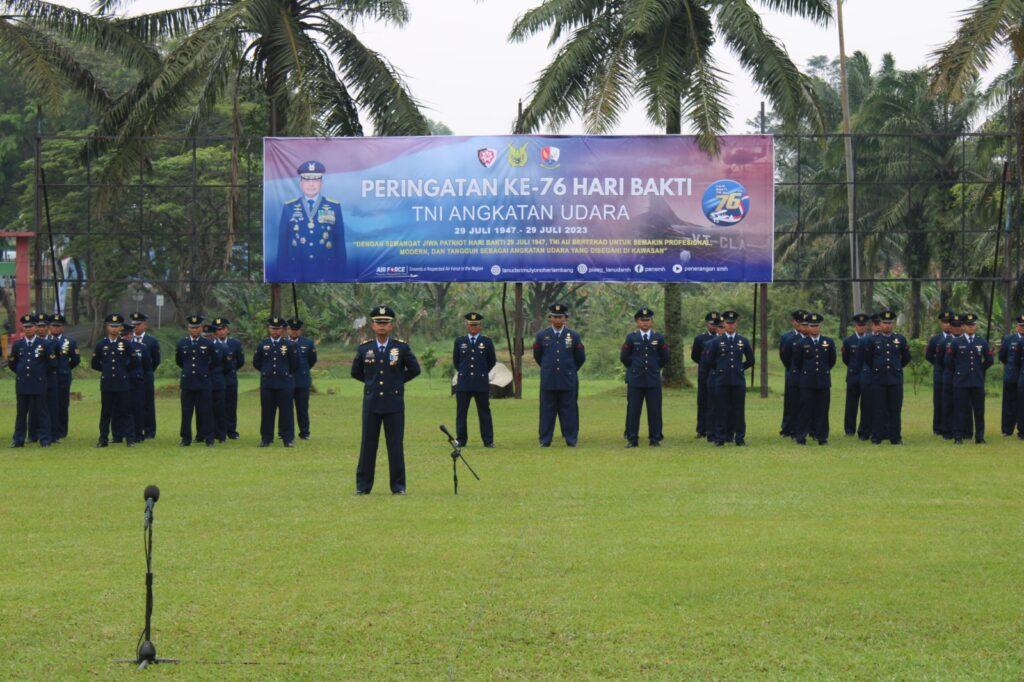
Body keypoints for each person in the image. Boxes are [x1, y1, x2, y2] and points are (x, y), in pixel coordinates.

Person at [352, 306, 420, 495]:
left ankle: (398, 487)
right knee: (367, 445)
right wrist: (371, 383)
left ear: (391, 326)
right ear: (372, 325)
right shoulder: (365, 348)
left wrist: (397, 382)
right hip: (372, 403)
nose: (381, 326)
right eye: (378, 322)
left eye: (385, 322)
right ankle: (363, 486)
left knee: (395, 446)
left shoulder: (401, 347)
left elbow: (415, 369)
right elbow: (356, 372)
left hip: (393, 404)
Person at [274, 160, 346, 280]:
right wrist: (281, 274)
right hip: (296, 270)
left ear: (321, 183)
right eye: (307, 180)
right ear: (301, 183)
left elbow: (340, 243)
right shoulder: (289, 207)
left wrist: (341, 274)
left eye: (315, 180)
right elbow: (283, 243)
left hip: (326, 271)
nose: (311, 184)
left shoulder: (334, 206)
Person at [533, 303, 586, 447]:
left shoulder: (574, 336)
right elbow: (538, 356)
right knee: (547, 411)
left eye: (560, 317)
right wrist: (548, 368)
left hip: (567, 379)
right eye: (554, 317)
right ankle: (545, 440)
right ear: (550, 318)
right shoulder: (542, 335)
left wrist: (569, 370)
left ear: (565, 318)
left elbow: (580, 358)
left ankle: (571, 439)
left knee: (569, 411)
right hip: (549, 380)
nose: (557, 320)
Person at [620, 307, 669, 448]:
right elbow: (624, 357)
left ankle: (655, 439)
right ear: (637, 322)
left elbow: (665, 357)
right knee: (633, 411)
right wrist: (634, 367)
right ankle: (632, 439)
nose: (645, 322)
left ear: (652, 321)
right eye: (642, 320)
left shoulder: (658, 337)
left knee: (655, 411)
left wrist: (655, 367)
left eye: (647, 320)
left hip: (653, 379)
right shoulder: (631, 337)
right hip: (636, 379)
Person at [705, 310, 755, 446]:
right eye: (728, 323)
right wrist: (721, 369)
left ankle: (739, 438)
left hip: (738, 381)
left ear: (737, 324)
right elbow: (710, 361)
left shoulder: (743, 341)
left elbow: (751, 360)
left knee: (739, 410)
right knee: (721, 409)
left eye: (733, 323)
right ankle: (720, 438)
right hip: (721, 380)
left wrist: (739, 368)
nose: (730, 325)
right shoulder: (716, 341)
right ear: (724, 324)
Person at [863, 309, 912, 445]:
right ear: (880, 324)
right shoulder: (873, 340)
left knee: (895, 410)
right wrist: (877, 368)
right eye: (885, 323)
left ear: (893, 324)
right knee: (878, 409)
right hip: (878, 380)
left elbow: (906, 358)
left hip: (895, 380)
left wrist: (897, 367)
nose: (887, 325)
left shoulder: (900, 339)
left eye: (890, 323)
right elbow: (868, 358)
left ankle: (895, 438)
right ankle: (876, 437)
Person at [7, 314, 54, 448]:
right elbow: (12, 363)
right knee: (21, 413)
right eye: (25, 327)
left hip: (38, 383)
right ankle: (18, 440)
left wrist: (39, 373)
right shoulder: (18, 345)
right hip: (22, 384)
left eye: (30, 326)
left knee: (42, 412)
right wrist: (21, 372)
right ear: (23, 328)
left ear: (36, 328)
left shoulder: (44, 344)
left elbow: (52, 364)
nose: (28, 329)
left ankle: (45, 440)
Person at [252, 316, 298, 447]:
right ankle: (266, 438)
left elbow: (295, 364)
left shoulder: (289, 345)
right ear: (269, 329)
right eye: (273, 328)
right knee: (267, 412)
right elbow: (256, 362)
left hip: (284, 384)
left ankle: (288, 439)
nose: (275, 331)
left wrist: (283, 372)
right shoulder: (263, 344)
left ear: (282, 329)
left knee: (286, 412)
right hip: (268, 384)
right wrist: (266, 371)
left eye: (278, 329)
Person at [452, 312, 497, 448]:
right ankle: (461, 439)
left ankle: (488, 440)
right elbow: (456, 361)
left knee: (484, 412)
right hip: (464, 382)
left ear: (480, 326)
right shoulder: (459, 341)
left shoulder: (486, 342)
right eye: (471, 325)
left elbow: (491, 361)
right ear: (467, 326)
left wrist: (481, 372)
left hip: (480, 382)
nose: (473, 327)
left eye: (476, 325)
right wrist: (465, 372)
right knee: (461, 412)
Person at [91, 313, 136, 447]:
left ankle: (130, 439)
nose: (114, 329)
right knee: (106, 412)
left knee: (126, 412)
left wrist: (122, 371)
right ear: (107, 327)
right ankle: (103, 439)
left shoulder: (125, 344)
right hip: (107, 383)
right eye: (112, 326)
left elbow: (134, 361)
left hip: (122, 383)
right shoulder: (101, 344)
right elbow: (94, 363)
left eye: (117, 326)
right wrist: (106, 370)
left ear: (121, 327)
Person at [792, 313, 837, 445]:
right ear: (808, 327)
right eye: (812, 326)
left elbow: (832, 361)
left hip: (823, 381)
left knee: (823, 410)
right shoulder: (801, 343)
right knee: (805, 410)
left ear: (820, 326)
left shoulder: (828, 342)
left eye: (816, 326)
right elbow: (798, 363)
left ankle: (822, 437)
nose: (814, 328)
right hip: (807, 382)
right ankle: (801, 436)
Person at [949, 313, 993, 444]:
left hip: (977, 382)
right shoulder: (956, 342)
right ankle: (958, 437)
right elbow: (948, 361)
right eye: (968, 325)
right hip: (961, 382)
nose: (971, 327)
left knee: (979, 411)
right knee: (960, 410)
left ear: (976, 326)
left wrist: (980, 370)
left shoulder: (981, 342)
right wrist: (959, 371)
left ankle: (980, 437)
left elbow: (989, 360)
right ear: (963, 326)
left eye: (973, 325)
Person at [175, 314, 216, 447]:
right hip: (187, 383)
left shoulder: (207, 343)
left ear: (201, 328)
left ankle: (209, 438)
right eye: (192, 327)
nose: (194, 330)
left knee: (206, 411)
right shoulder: (182, 343)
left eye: (197, 327)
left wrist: (204, 371)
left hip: (203, 382)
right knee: (186, 412)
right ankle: (185, 438)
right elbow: (179, 361)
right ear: (188, 328)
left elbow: (214, 362)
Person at [46, 313, 79, 442]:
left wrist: (65, 368)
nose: (55, 328)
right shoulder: (45, 341)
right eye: (53, 326)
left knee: (63, 404)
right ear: (49, 327)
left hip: (63, 377)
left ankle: (61, 430)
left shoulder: (69, 342)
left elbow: (75, 360)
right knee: (48, 404)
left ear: (63, 327)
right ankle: (49, 429)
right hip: (48, 376)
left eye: (58, 326)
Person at [131, 312, 161, 440]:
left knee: (148, 404)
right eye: (134, 324)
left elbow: (156, 360)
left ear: (145, 325)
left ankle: (149, 431)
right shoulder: (128, 340)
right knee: (133, 404)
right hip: (132, 378)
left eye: (138, 324)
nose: (136, 327)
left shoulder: (151, 341)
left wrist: (147, 372)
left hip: (146, 377)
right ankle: (134, 429)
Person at [690, 312, 719, 439]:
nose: (713, 326)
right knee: (703, 401)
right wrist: (704, 364)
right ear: (707, 324)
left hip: (719, 374)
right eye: (711, 324)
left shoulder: (722, 337)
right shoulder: (700, 339)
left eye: (716, 324)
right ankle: (702, 429)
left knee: (718, 401)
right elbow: (695, 356)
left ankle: (717, 427)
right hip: (705, 374)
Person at [287, 318, 318, 440]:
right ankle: (286, 432)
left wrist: (303, 370)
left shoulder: (308, 343)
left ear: (300, 330)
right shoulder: (283, 343)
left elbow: (312, 360)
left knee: (302, 409)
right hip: (286, 381)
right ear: (288, 329)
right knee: (286, 409)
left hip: (302, 381)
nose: (294, 332)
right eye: (292, 329)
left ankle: (304, 433)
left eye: (297, 329)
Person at [214, 317, 244, 439]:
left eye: (223, 329)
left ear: (227, 330)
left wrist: (230, 370)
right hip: (216, 380)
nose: (220, 331)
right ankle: (216, 431)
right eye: (218, 329)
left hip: (230, 379)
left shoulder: (235, 344)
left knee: (231, 406)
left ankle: (231, 431)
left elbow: (240, 362)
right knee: (216, 406)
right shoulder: (210, 344)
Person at [840, 313, 870, 437]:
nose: (861, 327)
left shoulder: (870, 340)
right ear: (855, 326)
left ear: (866, 327)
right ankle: (849, 430)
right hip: (853, 376)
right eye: (859, 325)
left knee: (866, 404)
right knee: (851, 405)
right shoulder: (848, 341)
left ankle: (864, 429)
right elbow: (845, 358)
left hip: (867, 376)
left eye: (863, 325)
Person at [924, 310, 953, 436]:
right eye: (945, 322)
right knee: (939, 401)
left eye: (949, 322)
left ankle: (950, 426)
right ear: (941, 324)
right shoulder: (935, 339)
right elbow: (929, 356)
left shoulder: (957, 338)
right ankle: (937, 428)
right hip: (940, 374)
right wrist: (938, 365)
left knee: (951, 402)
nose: (947, 325)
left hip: (953, 375)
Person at [122, 320, 151, 444]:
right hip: (121, 382)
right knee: (120, 409)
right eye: (122, 335)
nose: (124, 337)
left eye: (126, 334)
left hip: (136, 382)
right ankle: (119, 434)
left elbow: (147, 366)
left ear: (131, 335)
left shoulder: (140, 347)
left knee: (137, 408)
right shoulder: (116, 347)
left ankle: (138, 434)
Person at [779, 309, 806, 438]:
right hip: (792, 372)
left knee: (806, 401)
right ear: (793, 322)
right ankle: (788, 428)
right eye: (798, 322)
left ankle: (805, 427)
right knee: (791, 402)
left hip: (807, 374)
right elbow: (784, 356)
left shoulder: (809, 336)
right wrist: (791, 368)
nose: (801, 325)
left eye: (803, 322)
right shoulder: (787, 337)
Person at [202, 323, 230, 442]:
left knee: (220, 410)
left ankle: (221, 435)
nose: (207, 338)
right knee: (205, 410)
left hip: (217, 383)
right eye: (205, 336)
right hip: (203, 383)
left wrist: (218, 375)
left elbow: (228, 367)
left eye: (209, 336)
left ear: (214, 335)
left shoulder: (222, 347)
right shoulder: (199, 347)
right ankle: (205, 434)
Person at [939, 315, 965, 440]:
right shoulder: (945, 342)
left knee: (962, 405)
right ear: (950, 327)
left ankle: (962, 430)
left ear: (962, 327)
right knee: (948, 404)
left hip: (963, 377)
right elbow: (939, 361)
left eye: (959, 326)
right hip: (949, 376)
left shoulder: (966, 341)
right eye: (954, 326)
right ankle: (947, 431)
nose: (956, 328)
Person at [998, 314, 1024, 436]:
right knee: (1009, 403)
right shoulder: (1009, 339)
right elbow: (1002, 356)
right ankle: (1007, 430)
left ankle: (1021, 429)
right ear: (1017, 326)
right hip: (1011, 376)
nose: (1023, 328)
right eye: (1021, 326)